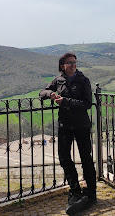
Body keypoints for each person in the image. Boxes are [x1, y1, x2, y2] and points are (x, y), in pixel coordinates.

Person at [39, 53, 97, 215]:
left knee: (85, 157)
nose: (73, 65)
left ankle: (91, 192)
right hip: (65, 125)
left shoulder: (83, 80)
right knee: (64, 156)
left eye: (74, 62)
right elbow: (42, 92)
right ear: (62, 65)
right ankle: (75, 189)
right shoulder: (58, 81)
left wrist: (65, 101)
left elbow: (87, 104)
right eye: (69, 62)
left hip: (81, 125)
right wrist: (49, 94)